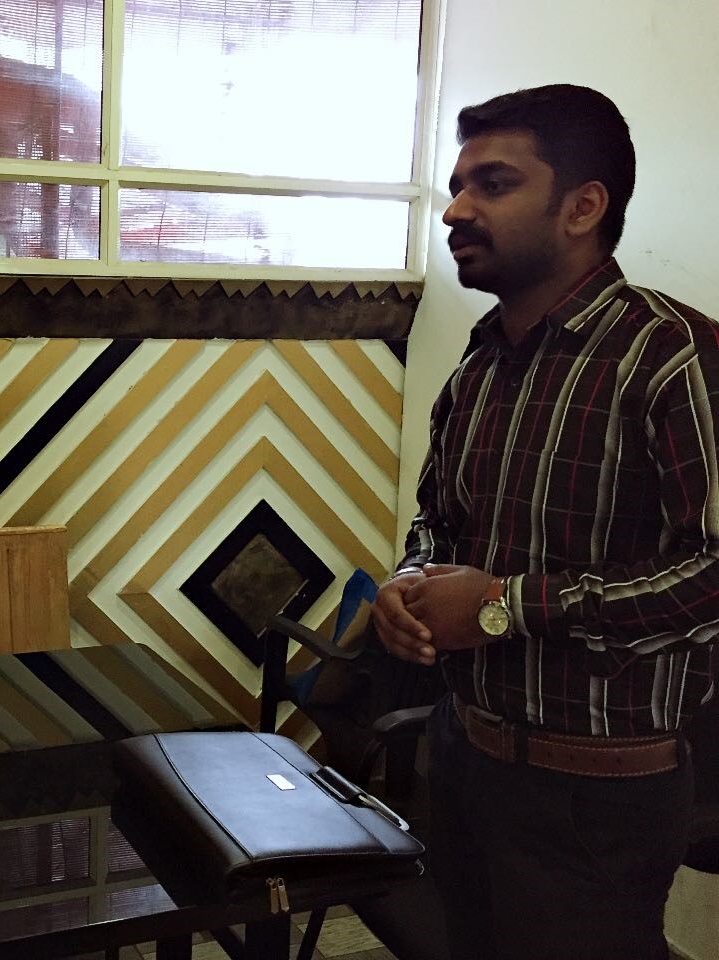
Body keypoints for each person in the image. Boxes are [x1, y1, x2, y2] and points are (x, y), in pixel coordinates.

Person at [372, 84, 719, 960]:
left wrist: (503, 606)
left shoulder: (673, 356)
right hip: (464, 755)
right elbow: (437, 520)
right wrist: (409, 584)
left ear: (583, 207)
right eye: (458, 185)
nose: (456, 210)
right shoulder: (484, 358)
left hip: (596, 798)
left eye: (493, 184)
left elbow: (714, 574)